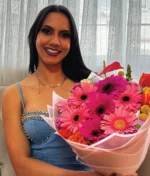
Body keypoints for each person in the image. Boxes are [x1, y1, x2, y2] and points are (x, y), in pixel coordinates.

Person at [2, 5, 137, 176]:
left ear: (71, 43)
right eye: (47, 31)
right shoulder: (14, 94)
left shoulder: (90, 87)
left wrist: (121, 170)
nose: (55, 41)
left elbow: (115, 140)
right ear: (35, 35)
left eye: (64, 35)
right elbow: (21, 165)